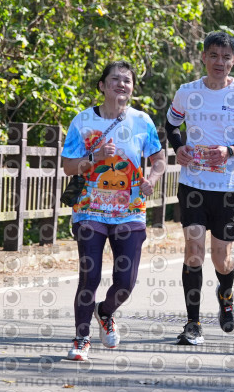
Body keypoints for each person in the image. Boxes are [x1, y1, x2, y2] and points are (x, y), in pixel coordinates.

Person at [165, 31, 234, 345]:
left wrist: (230, 150)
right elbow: (171, 124)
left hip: (230, 187)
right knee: (194, 251)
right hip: (193, 183)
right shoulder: (187, 92)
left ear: (233, 61)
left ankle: (226, 295)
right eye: (213, 55)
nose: (219, 62)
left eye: (226, 57)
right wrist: (178, 148)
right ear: (204, 57)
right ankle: (193, 323)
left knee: (221, 258)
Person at [61, 61, 165, 360]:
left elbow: (159, 159)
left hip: (129, 211)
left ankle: (105, 312)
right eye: (115, 79)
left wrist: (152, 180)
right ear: (102, 86)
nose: (122, 84)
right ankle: (81, 338)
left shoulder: (142, 121)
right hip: (89, 210)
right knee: (90, 276)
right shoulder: (82, 120)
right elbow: (68, 166)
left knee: (125, 282)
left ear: (132, 88)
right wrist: (94, 157)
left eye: (127, 80)